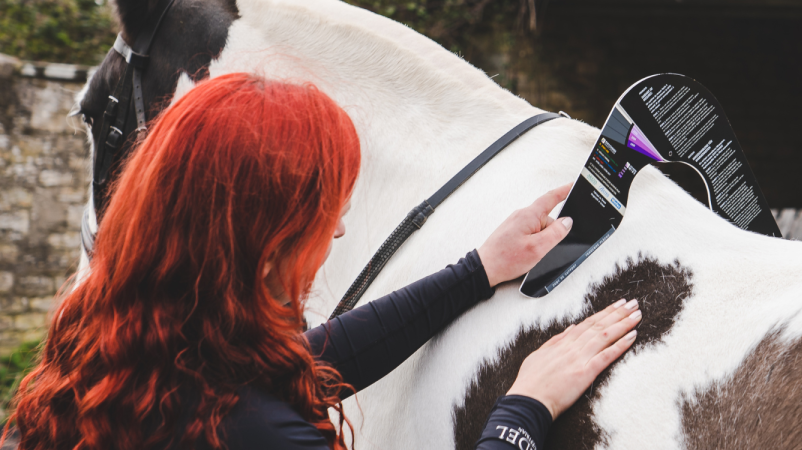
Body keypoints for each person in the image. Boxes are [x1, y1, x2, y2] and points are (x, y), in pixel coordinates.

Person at [7, 73, 640, 450]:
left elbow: (300, 364)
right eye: (323, 215)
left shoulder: (104, 353)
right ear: (263, 245)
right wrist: (524, 409)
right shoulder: (261, 433)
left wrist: (477, 270)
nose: (337, 230)